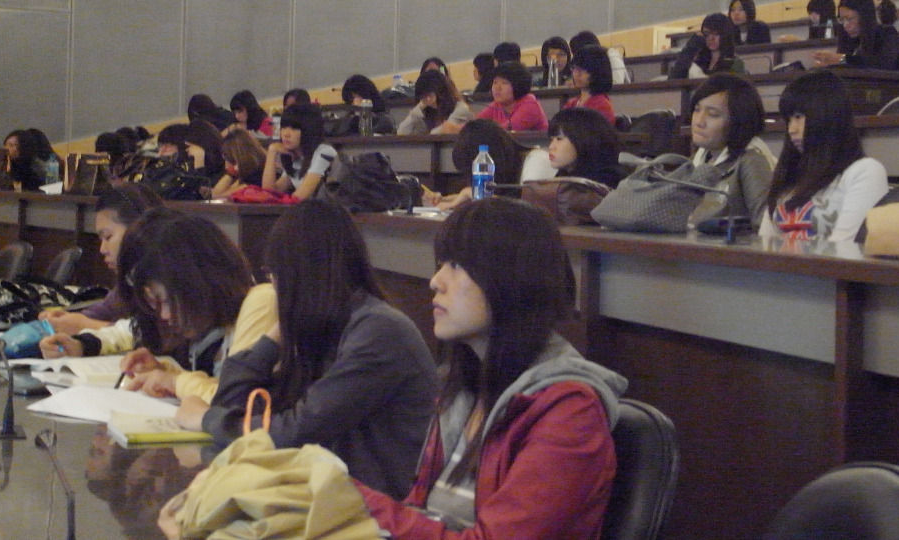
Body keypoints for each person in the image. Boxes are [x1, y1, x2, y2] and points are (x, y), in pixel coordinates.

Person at [354, 197, 628, 538]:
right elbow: (419, 511)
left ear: (512, 278)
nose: (436, 281)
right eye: (441, 264)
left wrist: (352, 501)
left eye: (456, 265)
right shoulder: (465, 388)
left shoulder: (571, 412)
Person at [174, 199, 438, 500]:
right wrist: (274, 336)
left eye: (274, 274)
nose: (274, 288)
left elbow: (295, 432)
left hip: (382, 511)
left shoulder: (378, 331)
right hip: (335, 497)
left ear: (296, 275)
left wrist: (206, 419)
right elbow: (231, 401)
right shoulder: (323, 328)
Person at [43, 209, 255, 401]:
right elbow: (132, 328)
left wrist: (175, 380)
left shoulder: (251, 316)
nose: (163, 315)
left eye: (164, 300)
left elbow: (236, 399)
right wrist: (82, 345)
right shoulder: (196, 323)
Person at [759, 70, 888, 242]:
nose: (791, 129)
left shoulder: (864, 172)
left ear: (827, 116)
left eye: (798, 117)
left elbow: (844, 249)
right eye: (788, 120)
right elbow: (764, 243)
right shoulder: (788, 175)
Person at [39, 183, 164, 335]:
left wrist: (87, 325)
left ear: (138, 229)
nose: (102, 249)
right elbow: (104, 311)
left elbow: (162, 337)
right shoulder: (130, 278)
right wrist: (66, 319)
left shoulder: (169, 274)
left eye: (108, 237)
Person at [686, 74, 776, 228]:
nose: (699, 121)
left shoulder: (752, 161)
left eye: (713, 115)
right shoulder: (696, 160)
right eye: (697, 109)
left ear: (738, 121)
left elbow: (765, 227)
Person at [422, 119, 556, 211]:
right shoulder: (505, 171)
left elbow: (527, 212)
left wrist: (471, 194)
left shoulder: (537, 162)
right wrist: (444, 200)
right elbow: (498, 197)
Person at [262, 103, 335, 199]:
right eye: (284, 127)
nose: (286, 134)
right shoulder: (296, 156)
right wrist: (271, 152)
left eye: (294, 128)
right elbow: (269, 193)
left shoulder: (324, 152)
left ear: (308, 130)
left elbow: (299, 198)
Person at [813, 0, 899, 70]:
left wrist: (841, 59)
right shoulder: (849, 40)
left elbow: (880, 65)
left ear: (864, 16)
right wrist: (829, 66)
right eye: (842, 20)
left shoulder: (887, 33)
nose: (845, 25)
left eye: (849, 19)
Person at [547, 108, 622, 189]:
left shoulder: (602, 182)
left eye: (559, 139)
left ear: (583, 138)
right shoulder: (566, 174)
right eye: (551, 139)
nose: (551, 147)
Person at [476, 62, 549, 132]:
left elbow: (503, 133)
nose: (497, 88)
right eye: (495, 82)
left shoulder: (530, 105)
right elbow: (475, 127)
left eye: (504, 83)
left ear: (518, 85)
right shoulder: (497, 105)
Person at [669, 13, 746, 79]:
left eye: (716, 33)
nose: (710, 38)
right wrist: (690, 48)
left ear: (725, 35)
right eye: (706, 34)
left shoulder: (734, 63)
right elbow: (673, 81)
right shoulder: (699, 60)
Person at [397, 70, 474, 135]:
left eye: (430, 95)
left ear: (442, 92)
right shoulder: (429, 111)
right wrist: (419, 107)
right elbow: (402, 132)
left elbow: (442, 131)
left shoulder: (461, 109)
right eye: (424, 97)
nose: (428, 100)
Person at [563, 45, 616, 124]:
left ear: (598, 72)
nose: (577, 74)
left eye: (584, 70)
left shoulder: (602, 106)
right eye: (575, 68)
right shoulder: (571, 104)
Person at [211, 128, 266, 199]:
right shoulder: (251, 172)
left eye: (228, 159)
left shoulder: (255, 176)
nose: (226, 166)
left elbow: (217, 195)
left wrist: (232, 172)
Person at [183, 119, 225, 187]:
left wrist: (199, 158)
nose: (188, 150)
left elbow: (202, 190)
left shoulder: (223, 166)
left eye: (190, 146)